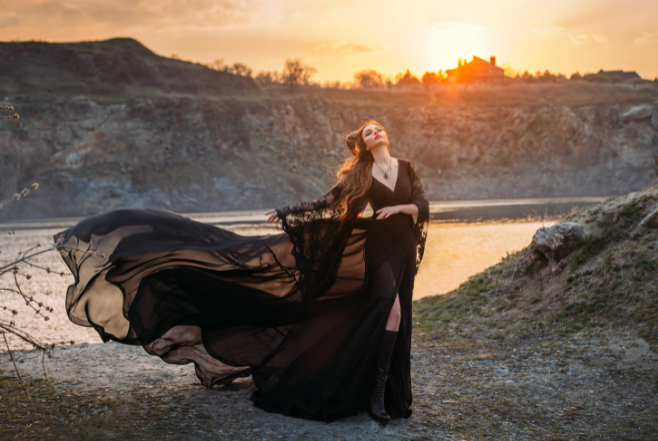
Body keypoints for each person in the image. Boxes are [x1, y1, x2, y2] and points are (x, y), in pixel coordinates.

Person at [54, 120, 429, 425]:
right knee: (388, 308)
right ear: (362, 146)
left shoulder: (406, 168)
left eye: (377, 128)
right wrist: (287, 213)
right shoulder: (362, 174)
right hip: (379, 250)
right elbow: (328, 202)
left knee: (398, 314)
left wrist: (400, 211)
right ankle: (378, 397)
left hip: (402, 247)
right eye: (368, 132)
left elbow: (422, 204)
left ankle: (385, 394)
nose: (375, 131)